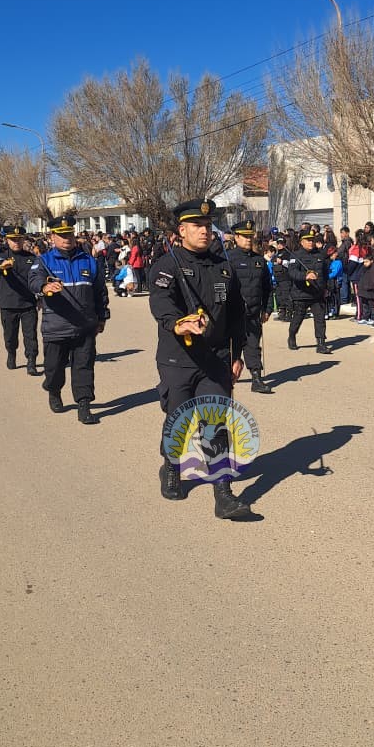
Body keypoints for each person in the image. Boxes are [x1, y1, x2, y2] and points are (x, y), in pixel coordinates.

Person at [148, 198, 254, 519]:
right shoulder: (166, 266)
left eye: (208, 226)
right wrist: (178, 323)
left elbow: (237, 316)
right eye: (197, 226)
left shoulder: (224, 267)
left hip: (216, 360)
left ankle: (223, 494)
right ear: (182, 230)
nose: (205, 231)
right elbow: (161, 302)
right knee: (178, 419)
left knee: (215, 424)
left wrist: (237, 355)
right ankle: (171, 466)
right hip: (178, 358)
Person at [28, 215, 108, 424]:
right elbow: (33, 281)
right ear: (52, 237)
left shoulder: (88, 261)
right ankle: (53, 390)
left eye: (69, 234)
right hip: (56, 326)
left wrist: (102, 317)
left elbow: (100, 292)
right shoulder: (44, 261)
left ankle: (84, 405)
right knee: (54, 368)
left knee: (84, 367)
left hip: (85, 326)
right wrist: (45, 286)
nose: (66, 239)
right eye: (62, 235)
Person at [227, 219, 274, 394]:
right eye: (244, 236)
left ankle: (256, 378)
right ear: (236, 237)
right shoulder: (227, 259)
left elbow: (267, 287)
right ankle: (225, 377)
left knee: (253, 346)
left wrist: (267, 309)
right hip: (232, 314)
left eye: (250, 236)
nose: (248, 240)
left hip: (253, 313)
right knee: (230, 348)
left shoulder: (259, 261)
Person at [0, 225, 39, 374]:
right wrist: (3, 266)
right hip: (8, 304)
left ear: (23, 240)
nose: (16, 242)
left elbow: (37, 278)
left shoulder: (31, 258)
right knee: (10, 336)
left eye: (19, 239)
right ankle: (11, 353)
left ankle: (31, 361)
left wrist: (40, 297)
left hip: (28, 304)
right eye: (13, 240)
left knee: (30, 335)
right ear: (7, 240)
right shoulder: (1, 256)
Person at [287, 230, 331, 354]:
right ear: (301, 242)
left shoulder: (320, 255)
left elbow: (325, 273)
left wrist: (326, 287)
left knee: (320, 319)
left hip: (317, 293)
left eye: (312, 240)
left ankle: (321, 343)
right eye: (308, 240)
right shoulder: (296, 255)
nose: (311, 242)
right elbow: (292, 272)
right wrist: (305, 276)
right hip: (302, 293)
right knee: (298, 318)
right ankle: (292, 335)